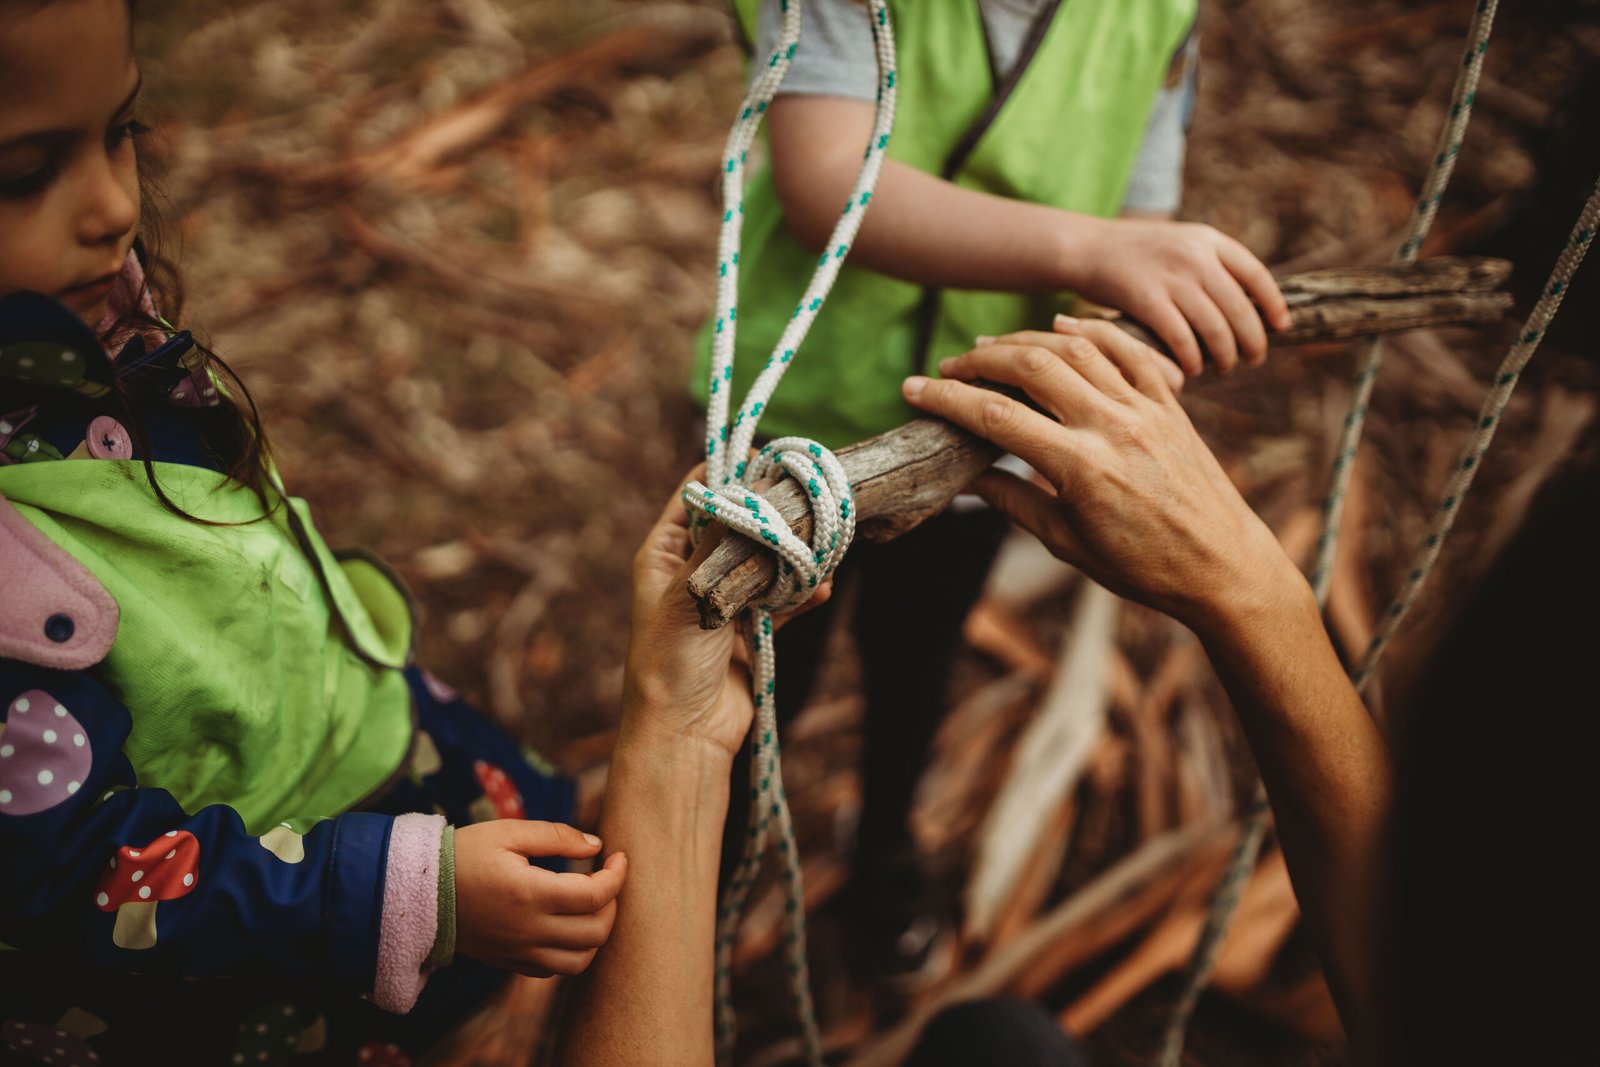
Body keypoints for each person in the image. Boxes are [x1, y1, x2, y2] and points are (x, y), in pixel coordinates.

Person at [0, 2, 629, 1062]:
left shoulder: (80, 330)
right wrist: (411, 898)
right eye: (24, 171)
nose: (113, 205)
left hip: (369, 744)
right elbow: (79, 876)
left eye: (118, 131)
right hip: (256, 953)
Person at [693, 0, 1293, 984]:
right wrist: (1094, 252)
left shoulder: (1156, 16)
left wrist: (1148, 303)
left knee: (919, 652)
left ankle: (884, 837)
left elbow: (1138, 217)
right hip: (793, 415)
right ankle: (705, 861)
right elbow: (824, 181)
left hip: (981, 434)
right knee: (752, 673)